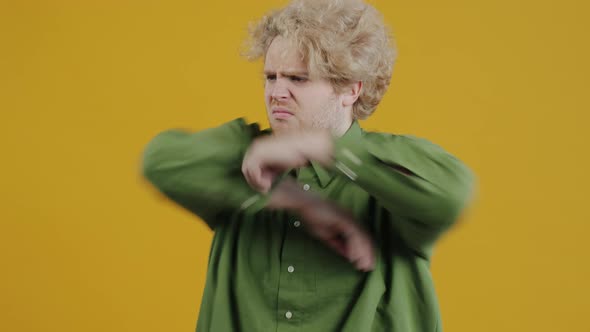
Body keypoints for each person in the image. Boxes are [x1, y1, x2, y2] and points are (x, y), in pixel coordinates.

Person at [142, 0, 474, 331]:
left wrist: (322, 148)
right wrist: (297, 200)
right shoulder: (246, 158)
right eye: (271, 77)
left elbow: (452, 191)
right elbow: (160, 160)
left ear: (350, 89)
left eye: (298, 79)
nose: (276, 93)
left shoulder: (387, 178)